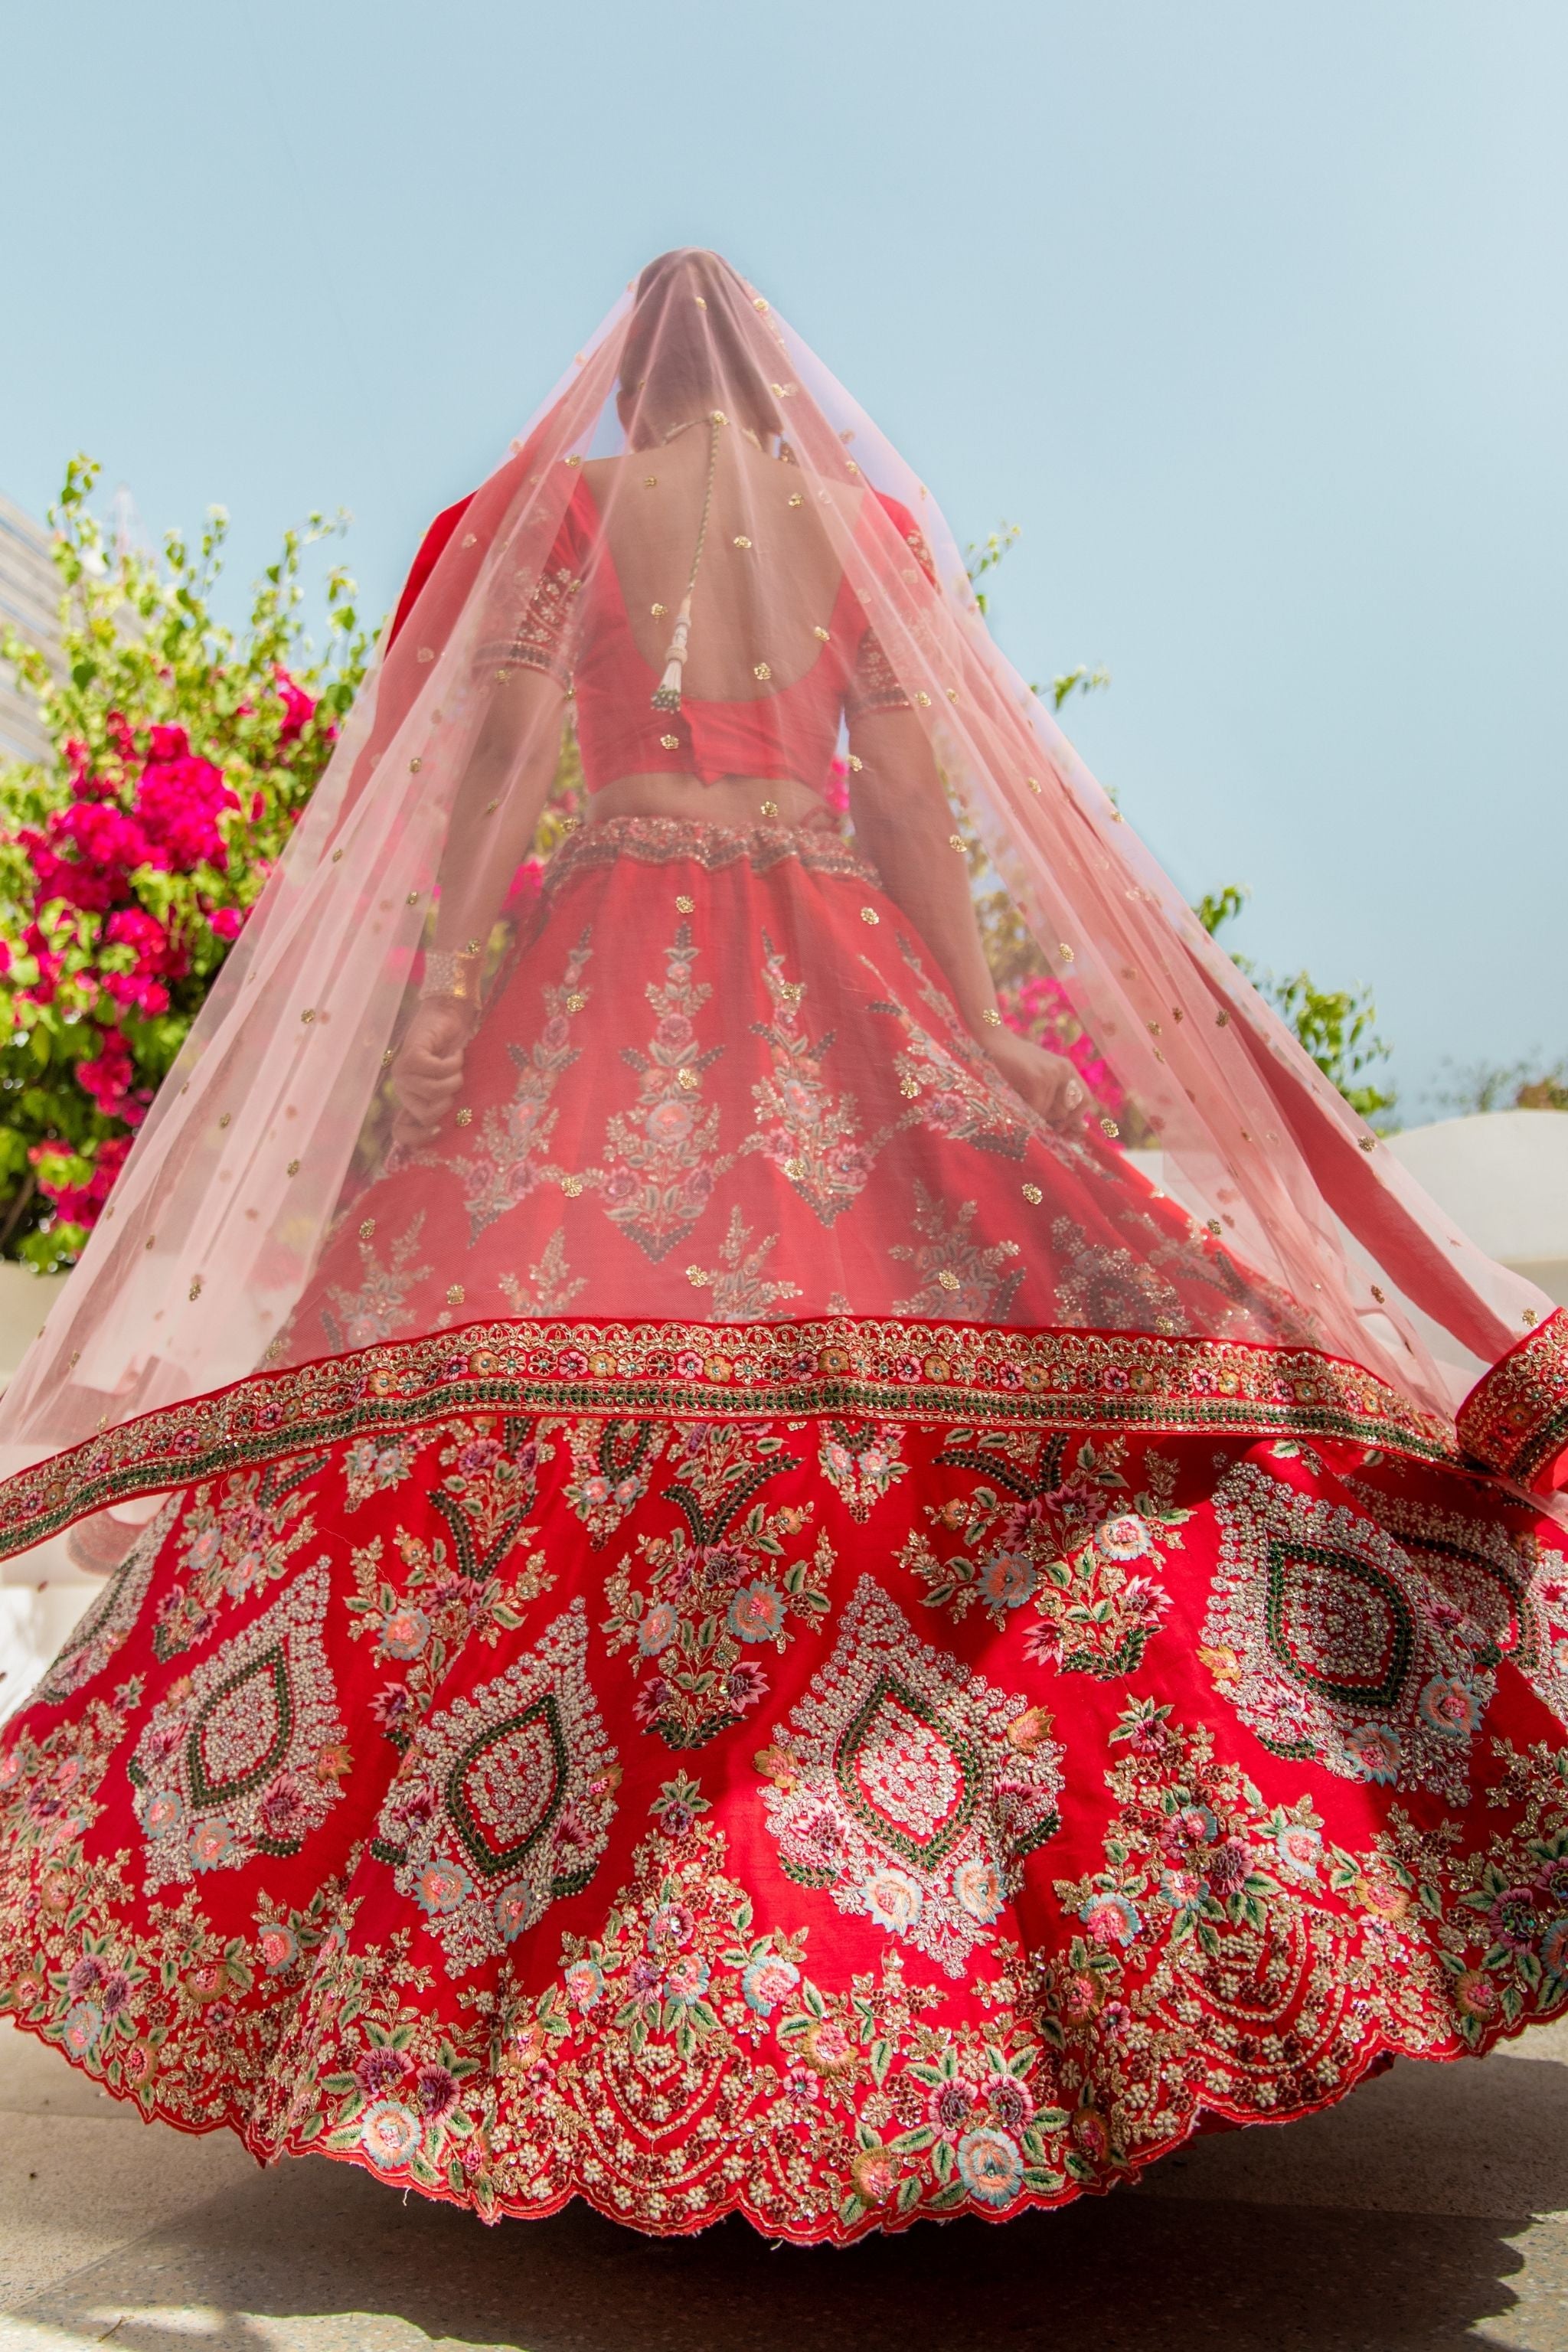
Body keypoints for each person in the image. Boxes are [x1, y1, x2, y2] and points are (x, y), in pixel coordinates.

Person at [0, 250, 1565, 2244]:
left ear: (632, 394)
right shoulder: (864, 525)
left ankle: (528, 2005)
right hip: (829, 968)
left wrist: (434, 1056)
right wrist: (983, 1066)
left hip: (595, 962)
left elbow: (474, 818)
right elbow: (912, 801)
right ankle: (952, 1985)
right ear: (766, 396)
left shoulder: (532, 520)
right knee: (920, 1454)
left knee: (517, 1461)